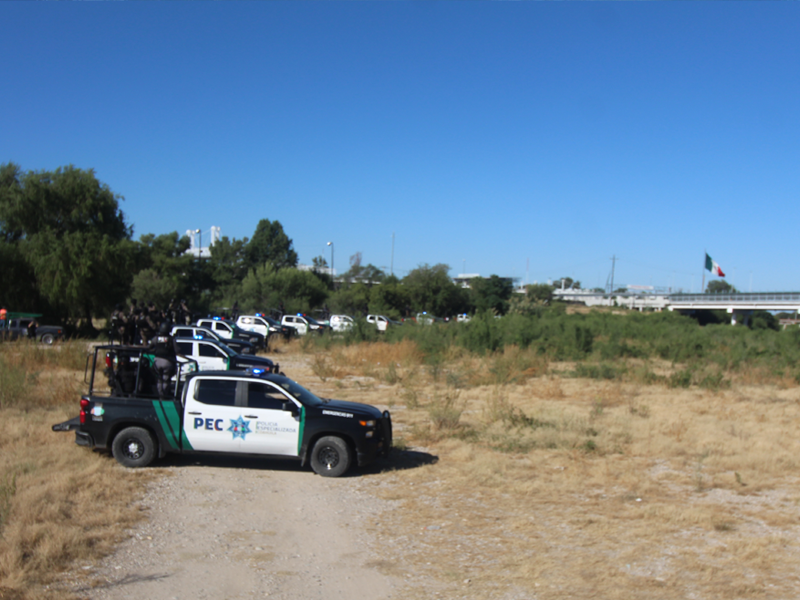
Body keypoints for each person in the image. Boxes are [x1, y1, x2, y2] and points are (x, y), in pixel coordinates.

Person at [148, 322, 186, 399]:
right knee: (166, 379)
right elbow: (177, 350)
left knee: (159, 379)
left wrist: (155, 351)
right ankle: (164, 395)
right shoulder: (171, 339)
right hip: (168, 361)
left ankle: (160, 394)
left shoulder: (156, 338)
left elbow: (150, 347)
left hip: (157, 361)